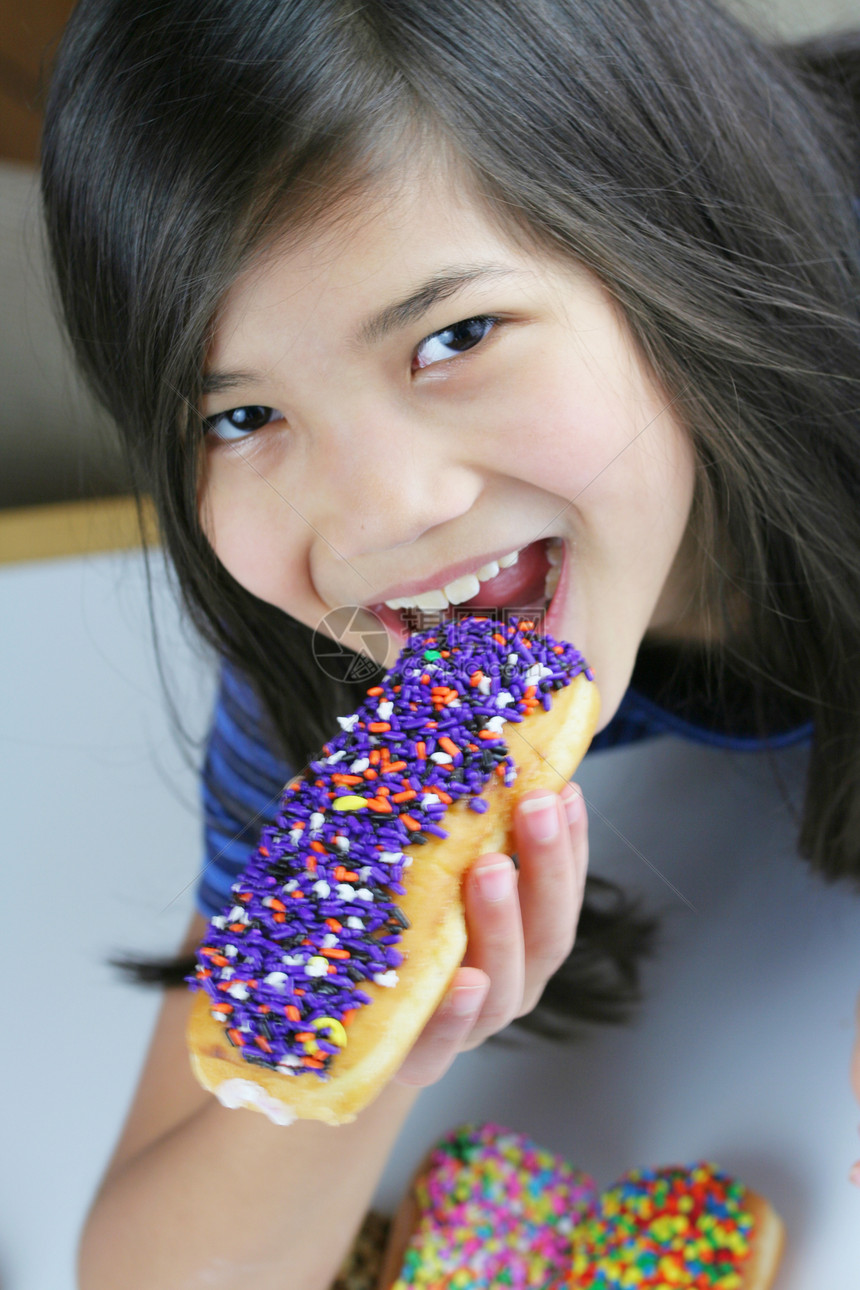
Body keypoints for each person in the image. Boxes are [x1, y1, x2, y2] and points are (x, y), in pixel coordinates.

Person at [40, 1, 860, 1286]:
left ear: (666, 246)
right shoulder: (343, 674)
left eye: (454, 337)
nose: (376, 521)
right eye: (245, 416)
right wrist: (378, 1032)